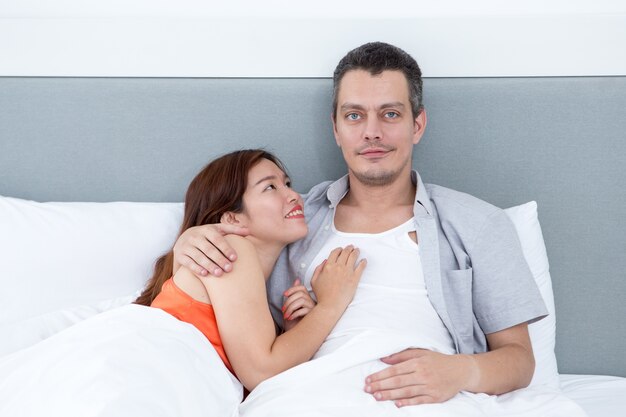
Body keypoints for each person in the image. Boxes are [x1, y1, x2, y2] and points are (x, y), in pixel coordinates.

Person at [173, 43, 548, 408]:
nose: (372, 132)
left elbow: (519, 360)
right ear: (336, 129)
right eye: (354, 115)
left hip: (427, 402)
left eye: (390, 114)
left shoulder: (478, 224)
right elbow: (221, 278)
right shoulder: (294, 219)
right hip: (307, 397)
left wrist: (460, 372)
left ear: (417, 124)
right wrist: (190, 239)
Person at [135, 149, 366, 390]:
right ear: (233, 219)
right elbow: (261, 373)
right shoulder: (230, 250)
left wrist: (293, 334)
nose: (294, 196)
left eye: (287, 184)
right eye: (270, 187)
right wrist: (330, 305)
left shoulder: (250, 293)